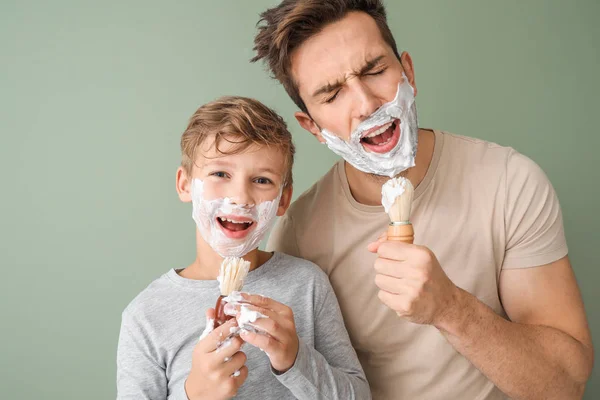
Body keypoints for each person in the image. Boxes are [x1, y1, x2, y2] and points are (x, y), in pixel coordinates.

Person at [253, 1, 594, 399]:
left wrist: (450, 309)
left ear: (408, 73)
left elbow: (566, 385)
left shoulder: (510, 182)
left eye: (375, 70)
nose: (366, 104)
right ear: (312, 127)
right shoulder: (298, 235)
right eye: (332, 95)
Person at [116, 96, 370, 399]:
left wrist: (295, 358)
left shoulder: (307, 284)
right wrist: (194, 393)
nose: (240, 197)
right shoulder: (146, 316)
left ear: (283, 200)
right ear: (185, 184)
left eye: (262, 180)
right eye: (220, 174)